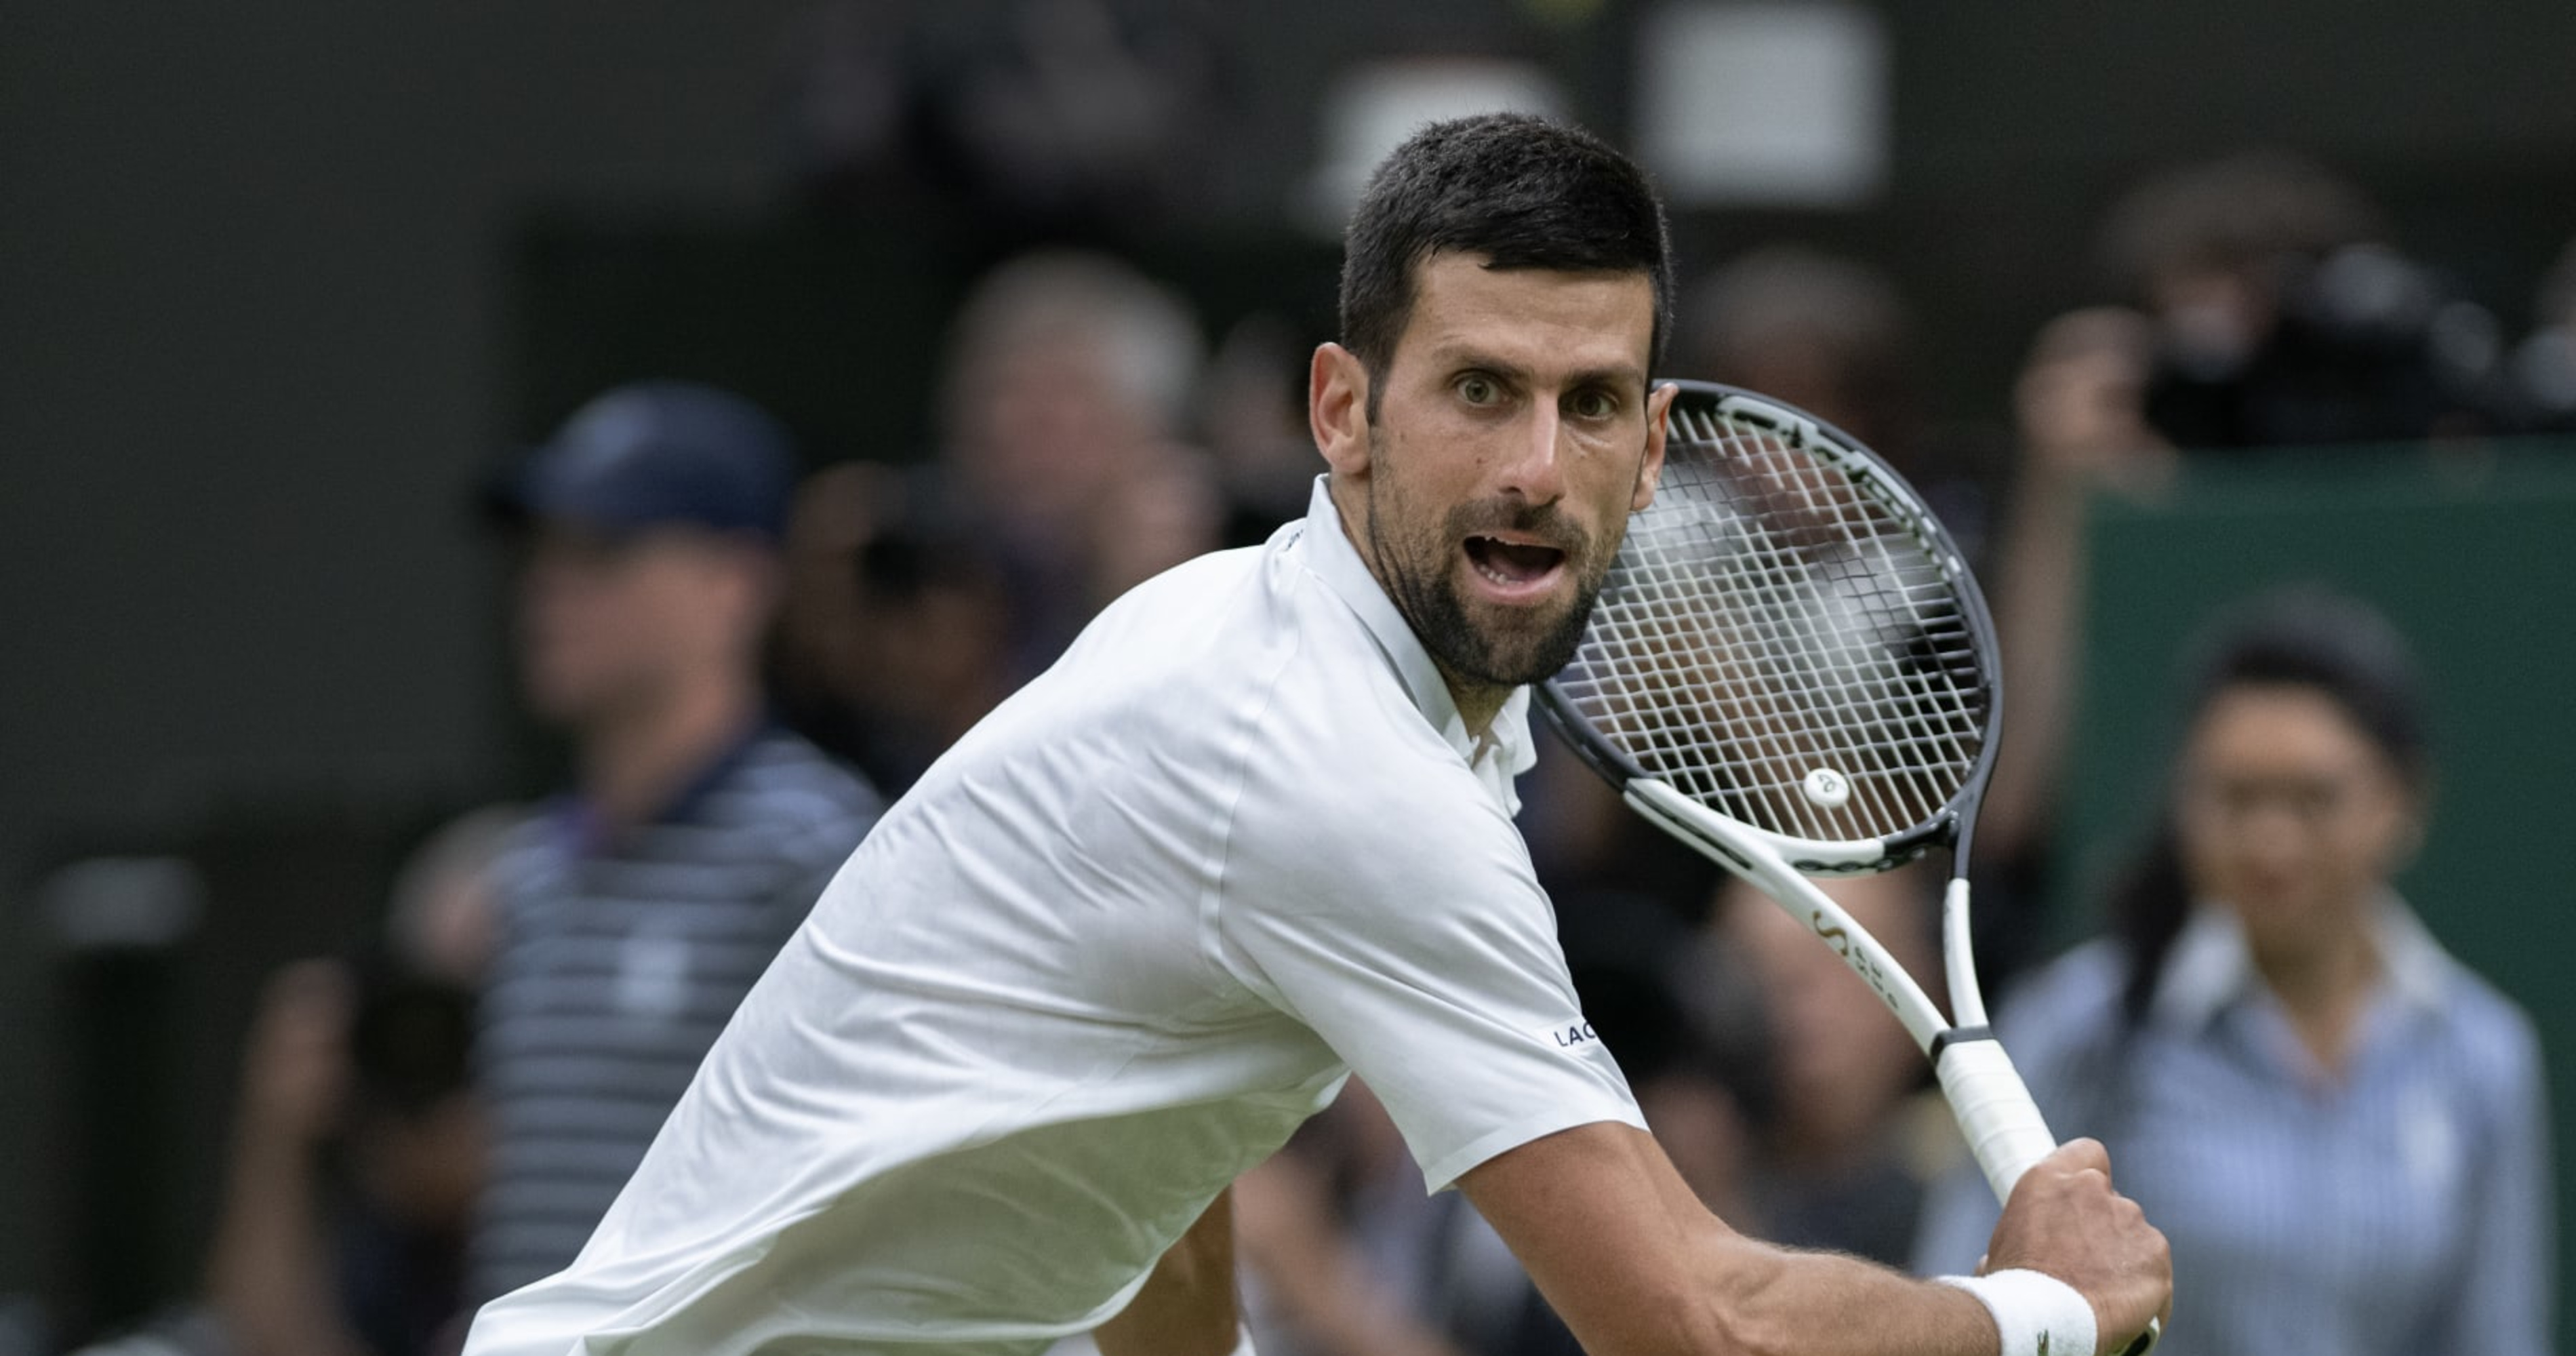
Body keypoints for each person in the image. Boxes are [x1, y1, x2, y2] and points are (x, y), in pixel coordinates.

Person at [462, 113, 2167, 1356]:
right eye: (1477, 388)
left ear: (1650, 453)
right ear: (1343, 411)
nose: (1531, 464)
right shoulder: (1328, 766)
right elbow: (1693, 1325)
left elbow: (1148, 1150)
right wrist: (2029, 1307)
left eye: (1585, 406)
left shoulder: (1247, 635)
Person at [1914, 588, 2554, 1355]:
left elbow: (2497, 1335)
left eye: (2313, 798)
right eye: (2235, 797)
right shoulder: (2077, 1023)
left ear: (2401, 802)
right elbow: (1963, 1304)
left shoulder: (2483, 1054)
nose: (2271, 839)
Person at [465, 382, 883, 1302]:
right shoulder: (525, 875)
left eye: (603, 550)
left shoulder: (817, 851)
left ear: (735, 584)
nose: (548, 585)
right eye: (542, 551)